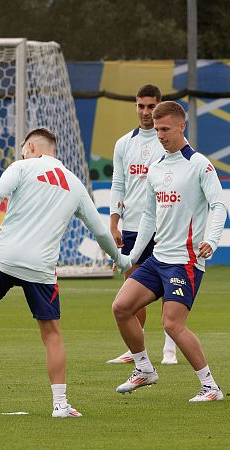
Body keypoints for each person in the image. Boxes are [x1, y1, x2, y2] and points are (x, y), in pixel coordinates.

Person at [0, 128, 132, 418]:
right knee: (51, 333)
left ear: (33, 147)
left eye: (24, 148)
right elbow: (100, 231)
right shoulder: (75, 185)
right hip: (40, 266)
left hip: (4, 257)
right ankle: (60, 404)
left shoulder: (22, 167)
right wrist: (120, 260)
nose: (22, 153)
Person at [111, 101, 226, 402]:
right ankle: (144, 369)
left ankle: (210, 387)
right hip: (158, 258)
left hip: (185, 261)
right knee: (121, 307)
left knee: (172, 324)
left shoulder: (200, 165)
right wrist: (133, 256)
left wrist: (211, 240)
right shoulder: (156, 168)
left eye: (165, 129)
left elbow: (219, 205)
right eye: (157, 129)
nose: (159, 134)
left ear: (181, 126)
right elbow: (149, 217)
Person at [107, 84, 177, 365]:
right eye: (141, 106)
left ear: (159, 106)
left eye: (151, 106)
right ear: (135, 106)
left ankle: (169, 350)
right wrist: (114, 222)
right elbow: (118, 183)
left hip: (165, 226)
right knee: (132, 289)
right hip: (133, 226)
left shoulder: (167, 140)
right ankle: (136, 349)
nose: (146, 112)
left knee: (169, 287)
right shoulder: (124, 143)